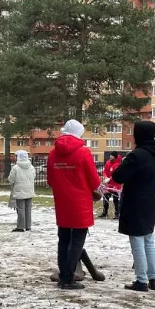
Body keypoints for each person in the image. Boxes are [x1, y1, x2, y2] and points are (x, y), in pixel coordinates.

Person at [47, 120, 100, 290]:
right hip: (80, 203)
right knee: (77, 242)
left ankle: (64, 276)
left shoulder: (52, 153)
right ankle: (69, 278)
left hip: (62, 202)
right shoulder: (83, 152)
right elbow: (94, 180)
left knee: (63, 240)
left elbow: (50, 180)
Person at [112, 120, 155, 292]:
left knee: (137, 241)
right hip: (149, 203)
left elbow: (118, 176)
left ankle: (141, 280)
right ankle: (153, 278)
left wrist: (125, 161)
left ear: (138, 135)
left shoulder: (137, 155)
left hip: (135, 203)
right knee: (148, 240)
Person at [8, 150, 36, 232]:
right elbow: (33, 176)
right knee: (28, 209)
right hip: (30, 191)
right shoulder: (31, 167)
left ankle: (20, 227)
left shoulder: (15, 168)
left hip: (19, 191)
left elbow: (11, 179)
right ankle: (28, 226)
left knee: (21, 209)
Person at [101, 152, 123, 218]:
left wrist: (109, 179)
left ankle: (117, 214)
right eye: (110, 156)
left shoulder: (118, 164)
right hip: (108, 186)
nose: (110, 158)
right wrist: (105, 177)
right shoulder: (108, 163)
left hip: (116, 186)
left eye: (112, 157)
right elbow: (104, 171)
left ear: (115, 157)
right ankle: (104, 213)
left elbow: (115, 174)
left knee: (116, 200)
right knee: (105, 199)